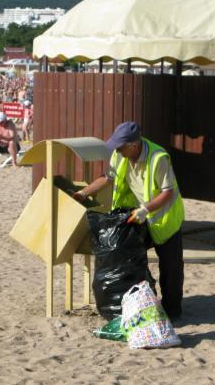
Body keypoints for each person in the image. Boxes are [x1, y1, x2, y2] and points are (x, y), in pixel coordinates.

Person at [73, 121, 185, 319]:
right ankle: (142, 303)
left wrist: (145, 209)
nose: (117, 150)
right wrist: (83, 192)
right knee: (131, 259)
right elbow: (108, 178)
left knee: (170, 266)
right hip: (139, 215)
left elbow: (168, 192)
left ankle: (173, 310)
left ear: (134, 144)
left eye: (120, 146)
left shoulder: (158, 158)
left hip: (165, 218)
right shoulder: (120, 155)